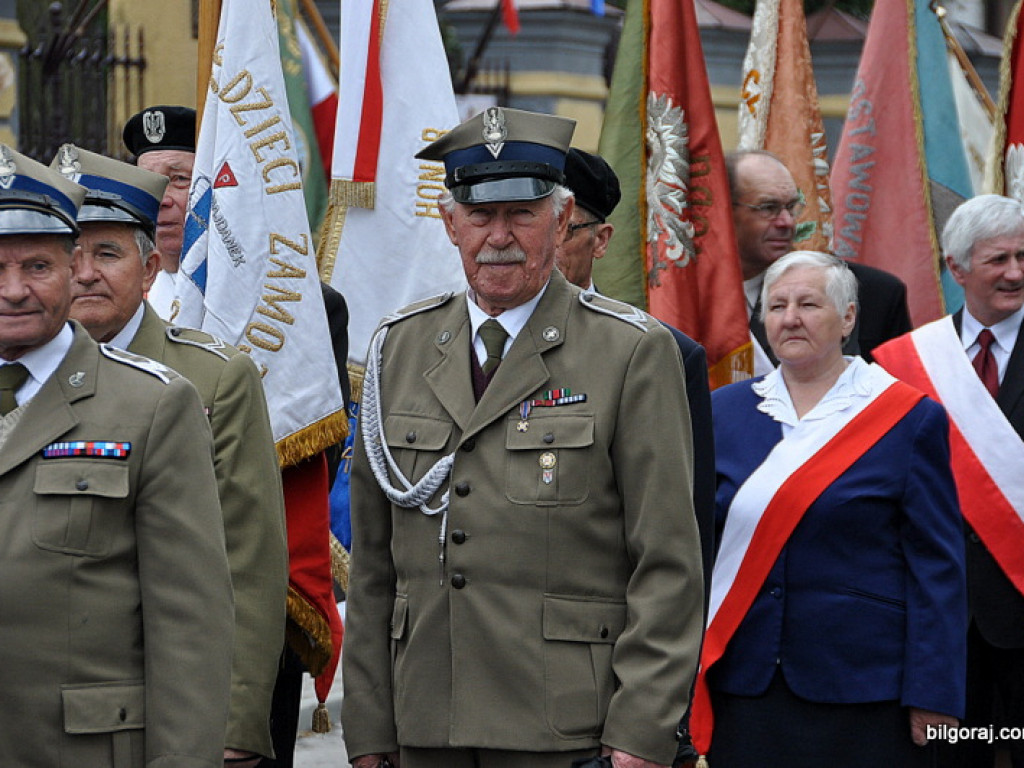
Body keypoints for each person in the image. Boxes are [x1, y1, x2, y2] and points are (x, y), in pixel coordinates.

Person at [342, 106, 705, 768]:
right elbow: (374, 568)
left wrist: (642, 731)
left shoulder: (629, 353)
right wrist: (369, 730)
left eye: (522, 215)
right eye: (480, 216)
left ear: (562, 221)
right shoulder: (399, 347)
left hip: (568, 727)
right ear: (452, 225)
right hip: (425, 722)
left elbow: (668, 564)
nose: (499, 237)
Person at [53, 144, 289, 767]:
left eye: (106, 254)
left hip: (165, 703)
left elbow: (249, 562)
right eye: (68, 255)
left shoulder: (213, 380)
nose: (84, 274)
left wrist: (235, 721)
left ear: (151, 265)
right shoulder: (20, 377)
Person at [0, 145, 234, 765]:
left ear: (72, 266)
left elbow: (189, 626)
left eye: (37, 267)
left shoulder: (152, 407)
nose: (14, 290)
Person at [694, 250, 966, 767]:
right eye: (776, 305)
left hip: (862, 687)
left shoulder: (908, 418)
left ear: (848, 318)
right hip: (743, 680)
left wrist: (935, 693)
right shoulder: (721, 412)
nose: (790, 317)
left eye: (808, 304)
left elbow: (938, 569)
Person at [873, 194, 1024, 767]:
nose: (1015, 272)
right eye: (997, 260)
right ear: (956, 269)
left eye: (1023, 256)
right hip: (937, 622)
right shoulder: (901, 364)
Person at [558, 146, 715, 603]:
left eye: (563, 230)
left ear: (601, 240)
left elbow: (679, 542)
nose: (536, 246)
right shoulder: (461, 342)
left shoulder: (659, 353)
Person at [725, 149, 911, 374]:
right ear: (723, 211)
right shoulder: (682, 296)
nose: (787, 223)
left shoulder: (873, 293)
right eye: (768, 208)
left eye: (791, 207)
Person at [122, 104, 197, 320]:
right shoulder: (124, 292)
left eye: (180, 179)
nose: (162, 200)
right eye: (148, 182)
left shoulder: (244, 290)